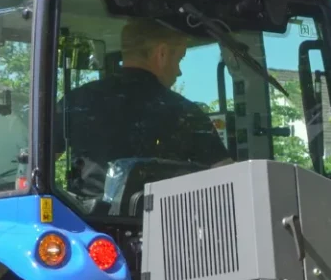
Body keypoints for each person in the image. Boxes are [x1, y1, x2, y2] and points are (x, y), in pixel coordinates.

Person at [61, 19, 230, 188]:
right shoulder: (185, 113)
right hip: (165, 213)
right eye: (179, 59)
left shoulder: (77, 101)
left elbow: (38, 162)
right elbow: (227, 177)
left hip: (83, 213)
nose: (179, 72)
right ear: (162, 54)